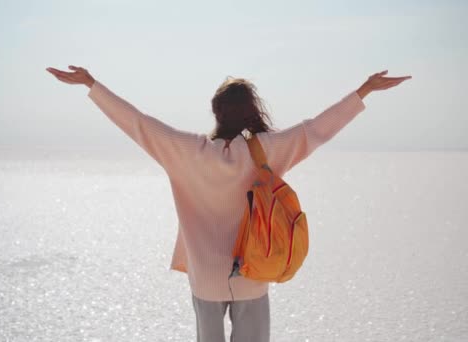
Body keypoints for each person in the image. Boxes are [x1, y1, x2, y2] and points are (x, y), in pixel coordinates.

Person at [46, 65, 411, 341]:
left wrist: (91, 85)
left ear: (216, 112)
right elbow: (317, 129)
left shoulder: (186, 152)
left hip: (205, 276)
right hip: (254, 270)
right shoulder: (268, 150)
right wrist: (365, 90)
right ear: (252, 111)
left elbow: (138, 124)